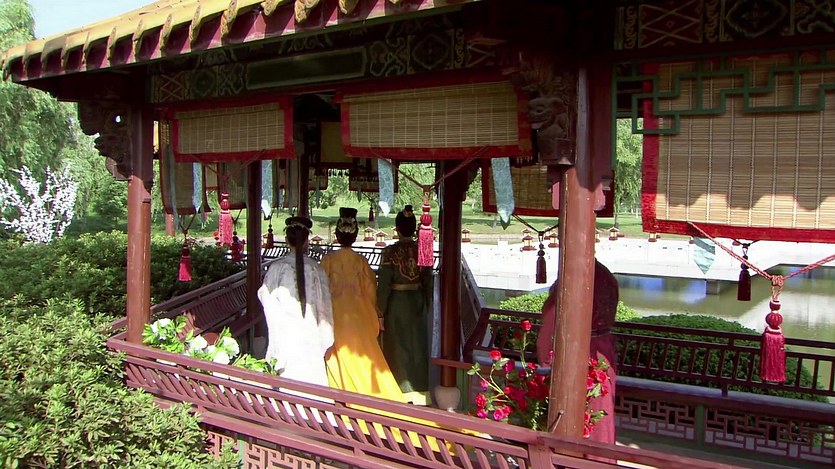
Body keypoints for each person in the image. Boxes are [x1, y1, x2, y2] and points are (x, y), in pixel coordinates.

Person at [321, 207, 407, 403]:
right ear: (355, 236)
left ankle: (343, 399)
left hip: (335, 317)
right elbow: (371, 292)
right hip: (360, 317)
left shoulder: (327, 261)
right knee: (366, 359)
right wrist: (373, 315)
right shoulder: (361, 262)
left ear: (337, 235)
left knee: (339, 357)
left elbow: (321, 292)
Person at [536, 259, 619, 445]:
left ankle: (573, 456)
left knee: (577, 412)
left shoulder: (573, 277)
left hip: (579, 352)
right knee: (601, 410)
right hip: (603, 350)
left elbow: (552, 315)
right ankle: (601, 455)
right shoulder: (606, 275)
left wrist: (545, 352)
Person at [257, 216, 334, 388]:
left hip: (285, 332)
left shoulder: (276, 268)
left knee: (287, 377)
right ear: (307, 241)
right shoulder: (316, 269)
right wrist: (325, 335)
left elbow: (265, 297)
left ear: (287, 240)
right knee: (312, 379)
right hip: (311, 333)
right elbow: (325, 306)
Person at [377, 206, 432, 403]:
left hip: (396, 304)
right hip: (417, 301)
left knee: (397, 347)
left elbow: (384, 284)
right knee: (418, 346)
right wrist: (427, 302)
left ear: (397, 228)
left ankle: (400, 391)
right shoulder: (423, 249)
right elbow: (428, 280)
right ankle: (420, 391)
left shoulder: (389, 252)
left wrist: (380, 311)